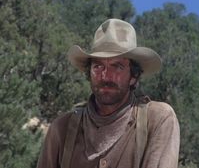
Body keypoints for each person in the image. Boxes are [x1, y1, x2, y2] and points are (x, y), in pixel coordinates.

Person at [37, 18, 180, 168]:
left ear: (133, 76)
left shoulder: (157, 120)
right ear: (89, 73)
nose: (106, 76)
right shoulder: (62, 129)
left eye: (117, 66)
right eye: (98, 66)